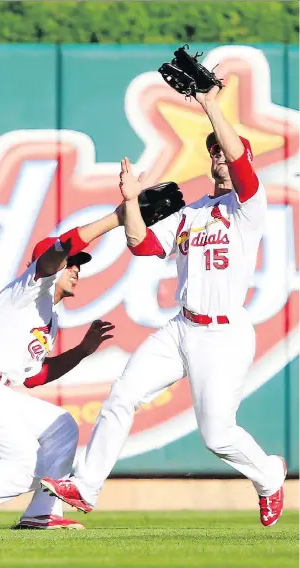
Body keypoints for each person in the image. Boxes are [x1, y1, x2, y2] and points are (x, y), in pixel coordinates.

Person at [41, 85, 286, 527]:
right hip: (181, 328)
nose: (221, 159)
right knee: (121, 396)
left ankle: (269, 476)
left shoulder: (249, 206)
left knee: (217, 434)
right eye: (214, 153)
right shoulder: (191, 213)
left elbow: (244, 165)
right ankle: (86, 486)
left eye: (227, 152)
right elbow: (140, 244)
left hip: (225, 333)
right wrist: (131, 202)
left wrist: (211, 104)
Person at [0, 208, 122, 529]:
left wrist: (82, 352)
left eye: (78, 267)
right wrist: (116, 220)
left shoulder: (50, 319)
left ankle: (41, 512)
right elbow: (55, 252)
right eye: (70, 264)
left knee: (61, 425)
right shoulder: (30, 287)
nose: (75, 270)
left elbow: (35, 377)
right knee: (24, 464)